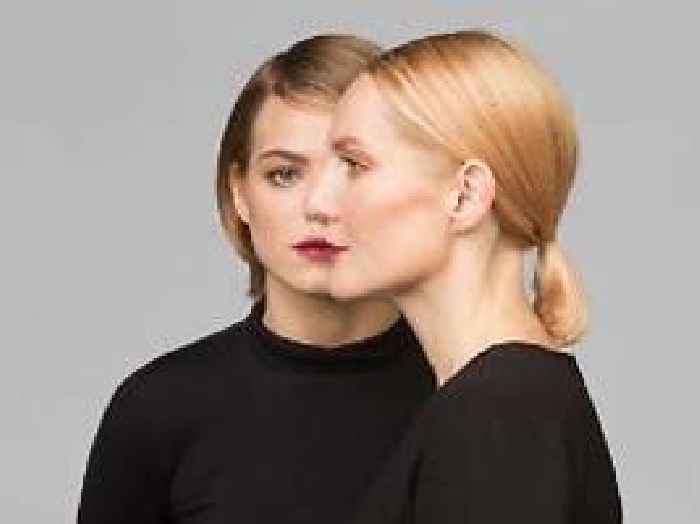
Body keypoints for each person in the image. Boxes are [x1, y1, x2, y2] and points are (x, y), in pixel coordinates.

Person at [76, 34, 435, 524]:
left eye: (353, 168)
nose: (320, 206)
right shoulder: (159, 409)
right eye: (284, 174)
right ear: (239, 193)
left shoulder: (472, 395)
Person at [326, 30, 623, 522]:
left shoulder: (497, 412)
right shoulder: (503, 402)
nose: (319, 203)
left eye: (355, 165)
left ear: (465, 196)